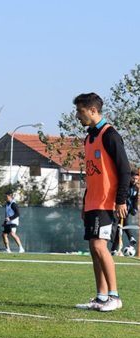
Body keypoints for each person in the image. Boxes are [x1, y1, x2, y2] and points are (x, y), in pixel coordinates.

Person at [73, 92, 129, 312]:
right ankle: (101, 296)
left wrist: (121, 200)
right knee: (93, 248)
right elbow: (92, 175)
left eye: (80, 111)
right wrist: (85, 203)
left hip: (107, 202)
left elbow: (124, 170)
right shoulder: (89, 138)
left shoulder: (110, 135)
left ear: (93, 111)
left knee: (99, 246)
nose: (78, 115)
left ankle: (114, 296)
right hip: (93, 203)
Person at [110, 171, 138, 254]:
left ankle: (114, 250)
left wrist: (134, 208)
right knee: (118, 227)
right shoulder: (124, 185)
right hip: (117, 209)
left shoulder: (136, 188)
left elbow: (135, 200)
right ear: (130, 177)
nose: (135, 180)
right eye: (133, 178)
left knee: (120, 229)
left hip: (126, 211)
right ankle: (131, 237)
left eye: (136, 179)